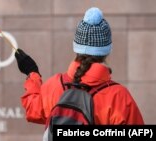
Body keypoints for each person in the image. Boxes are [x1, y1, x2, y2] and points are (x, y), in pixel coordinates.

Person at [14, 7, 144, 126]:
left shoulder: (55, 85)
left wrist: (32, 73)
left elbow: (33, 110)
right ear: (106, 51)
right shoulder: (118, 96)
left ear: (76, 46)